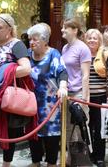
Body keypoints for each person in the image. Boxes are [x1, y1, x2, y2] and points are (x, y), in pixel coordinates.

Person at [0, 14, 31, 167]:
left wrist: (4, 73)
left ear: (9, 30)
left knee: (9, 133)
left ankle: (6, 165)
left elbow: (26, 69)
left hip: (7, 96)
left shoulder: (16, 44)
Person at [27, 23, 68, 167]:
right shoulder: (27, 54)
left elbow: (62, 72)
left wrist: (63, 86)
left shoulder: (53, 54)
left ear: (45, 41)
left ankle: (51, 163)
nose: (32, 42)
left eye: (35, 39)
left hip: (50, 105)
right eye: (30, 39)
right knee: (33, 133)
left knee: (51, 135)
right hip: (31, 103)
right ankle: (35, 161)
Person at [85, 29, 108, 167]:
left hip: (100, 97)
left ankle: (100, 157)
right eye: (89, 38)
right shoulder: (82, 54)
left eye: (95, 38)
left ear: (100, 40)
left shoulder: (104, 54)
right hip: (84, 97)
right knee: (86, 127)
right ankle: (89, 154)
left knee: (99, 128)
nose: (92, 40)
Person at [60, 18, 90, 145]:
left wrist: (84, 98)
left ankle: (80, 160)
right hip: (67, 92)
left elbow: (85, 75)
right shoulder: (65, 48)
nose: (62, 30)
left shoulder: (83, 48)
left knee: (78, 127)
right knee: (66, 127)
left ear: (74, 30)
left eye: (65, 27)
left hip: (78, 92)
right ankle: (68, 159)